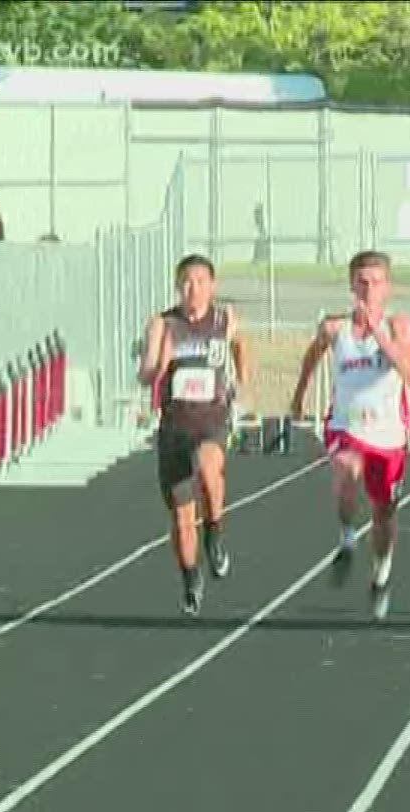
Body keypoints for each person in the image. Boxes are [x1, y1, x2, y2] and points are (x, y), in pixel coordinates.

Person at [290, 251, 410, 622]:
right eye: (362, 282)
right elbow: (311, 356)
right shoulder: (335, 329)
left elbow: (407, 371)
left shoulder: (399, 326)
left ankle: (381, 572)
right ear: (351, 285)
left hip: (389, 434)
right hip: (347, 425)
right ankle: (347, 537)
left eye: (376, 282)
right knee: (345, 468)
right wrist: (300, 393)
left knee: (384, 512)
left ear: (387, 288)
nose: (368, 289)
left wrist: (376, 330)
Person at [137, 253, 247, 615]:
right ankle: (190, 577)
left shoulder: (223, 318)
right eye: (186, 281)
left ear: (212, 286)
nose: (193, 289)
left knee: (209, 466)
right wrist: (162, 361)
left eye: (200, 281)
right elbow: (146, 375)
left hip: (211, 419)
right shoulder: (163, 325)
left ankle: (214, 531)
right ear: (177, 286)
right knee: (182, 521)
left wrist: (240, 380)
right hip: (174, 428)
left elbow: (238, 345)